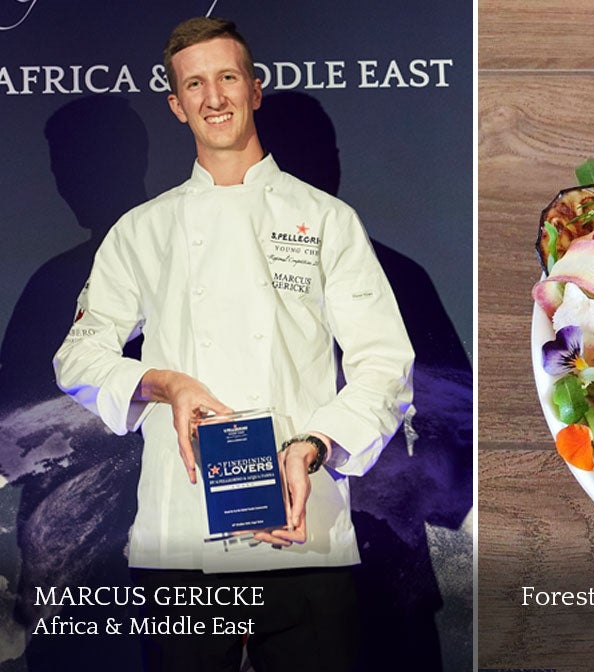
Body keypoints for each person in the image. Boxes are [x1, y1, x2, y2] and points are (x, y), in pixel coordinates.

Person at [51, 16, 415, 672]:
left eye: (226, 78)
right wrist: (163, 382)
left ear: (254, 89)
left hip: (300, 527)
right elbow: (77, 355)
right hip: (181, 531)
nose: (213, 96)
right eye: (195, 84)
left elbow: (384, 362)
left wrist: (314, 446)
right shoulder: (143, 231)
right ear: (177, 104)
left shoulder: (327, 221)